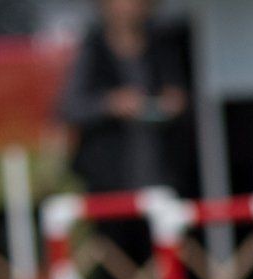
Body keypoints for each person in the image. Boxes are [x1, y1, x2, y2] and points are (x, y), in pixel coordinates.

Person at [56, 0, 193, 197]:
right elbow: (69, 107)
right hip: (109, 180)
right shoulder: (92, 49)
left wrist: (174, 103)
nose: (131, 6)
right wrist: (111, 104)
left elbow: (186, 99)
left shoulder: (164, 46)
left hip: (164, 175)